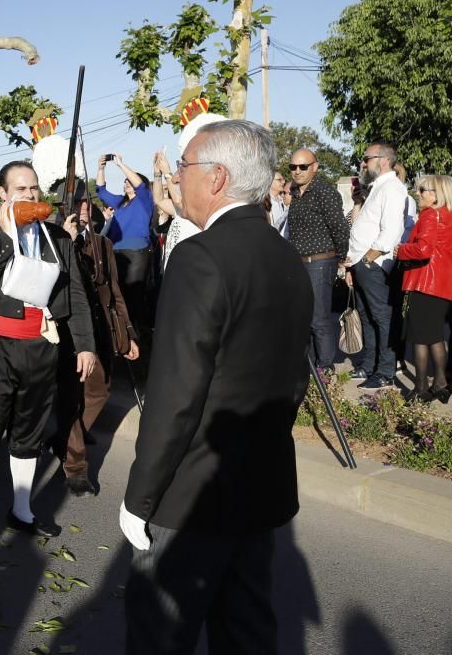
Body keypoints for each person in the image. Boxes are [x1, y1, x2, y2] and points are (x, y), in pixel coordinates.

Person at [119, 120, 312, 655]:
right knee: (246, 633)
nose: (177, 180)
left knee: (161, 635)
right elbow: (295, 376)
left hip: (192, 497)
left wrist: (140, 496)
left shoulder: (200, 255)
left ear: (218, 177)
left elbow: (176, 393)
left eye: (184, 169)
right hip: (261, 482)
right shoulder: (287, 257)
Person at [0, 161, 95, 536]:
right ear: (3, 194)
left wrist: (84, 345)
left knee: (29, 430)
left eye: (33, 188)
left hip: (42, 345)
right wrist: (6, 235)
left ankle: (21, 509)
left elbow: (75, 295)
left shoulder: (56, 238)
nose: (30, 196)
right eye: (21, 190)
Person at [58, 195, 138, 496]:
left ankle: (65, 438)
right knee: (71, 394)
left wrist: (128, 333)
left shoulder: (103, 244)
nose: (82, 211)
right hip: (72, 327)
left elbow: (114, 290)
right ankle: (76, 467)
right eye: (77, 207)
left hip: (102, 324)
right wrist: (68, 240)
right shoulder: (58, 239)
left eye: (86, 208)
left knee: (100, 390)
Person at [343, 141, 408, 389]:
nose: (362, 163)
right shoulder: (377, 188)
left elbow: (391, 230)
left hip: (374, 263)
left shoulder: (391, 188)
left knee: (382, 318)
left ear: (382, 160)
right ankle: (369, 365)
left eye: (366, 158)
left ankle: (385, 371)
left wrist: (369, 257)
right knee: (367, 317)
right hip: (362, 263)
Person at [394, 175, 452, 403]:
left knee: (419, 338)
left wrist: (401, 250)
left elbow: (423, 249)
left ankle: (421, 387)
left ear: (436, 194)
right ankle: (441, 383)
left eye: (423, 189)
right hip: (441, 284)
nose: (418, 193)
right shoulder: (451, 215)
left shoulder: (430, 215)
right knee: (434, 336)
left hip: (424, 282)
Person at [287, 149, 350, 377]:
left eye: (303, 166)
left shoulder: (324, 192)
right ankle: (311, 367)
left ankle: (325, 370)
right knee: (305, 318)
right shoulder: (295, 194)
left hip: (320, 263)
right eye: (293, 167)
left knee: (318, 318)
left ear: (315, 167)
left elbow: (340, 228)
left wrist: (341, 260)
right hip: (300, 264)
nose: (297, 171)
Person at [95, 155, 154, 328]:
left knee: (133, 295)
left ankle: (141, 334)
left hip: (136, 253)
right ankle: (125, 334)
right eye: (125, 181)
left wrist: (121, 164)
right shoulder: (120, 203)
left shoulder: (144, 200)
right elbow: (101, 190)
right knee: (119, 295)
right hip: (115, 252)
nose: (126, 182)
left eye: (130, 180)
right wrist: (101, 168)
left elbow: (141, 186)